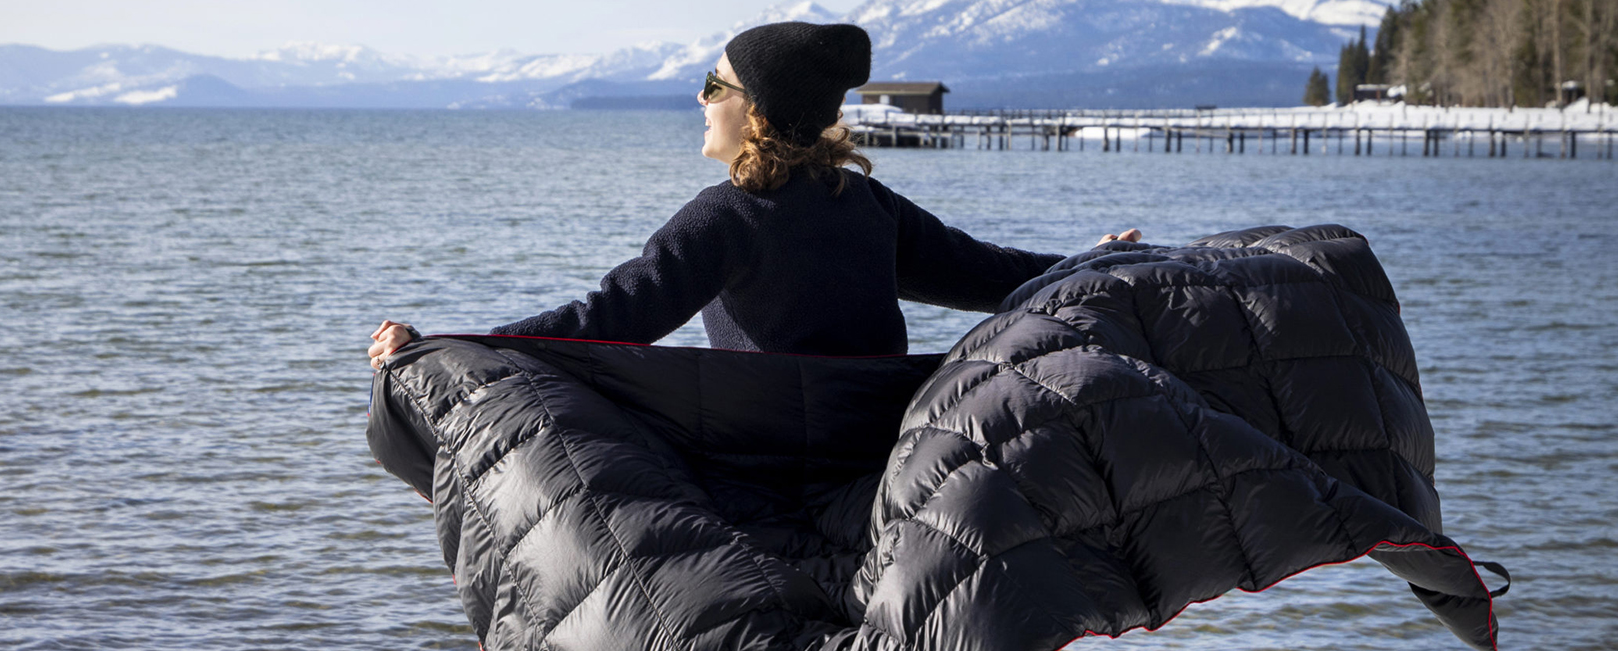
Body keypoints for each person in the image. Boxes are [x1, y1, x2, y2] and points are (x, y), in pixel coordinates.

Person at [369, 21, 1139, 368]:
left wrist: (449, 345)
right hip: (878, 451)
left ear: (758, 112)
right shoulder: (865, 205)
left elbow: (613, 320)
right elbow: (990, 275)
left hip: (769, 461)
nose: (700, 99)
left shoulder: (727, 216)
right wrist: (1087, 266)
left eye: (715, 85)